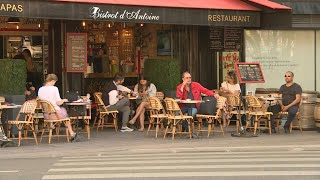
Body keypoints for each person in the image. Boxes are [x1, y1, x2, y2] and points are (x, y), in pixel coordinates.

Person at [38, 74, 77, 139]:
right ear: (52, 81)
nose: (54, 84)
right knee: (66, 116)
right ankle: (71, 133)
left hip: (46, 115)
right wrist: (64, 99)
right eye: (55, 82)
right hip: (55, 114)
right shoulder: (54, 89)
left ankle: (52, 126)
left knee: (62, 111)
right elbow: (58, 103)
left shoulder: (40, 89)